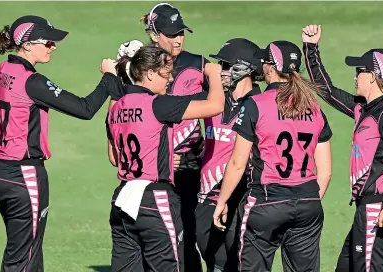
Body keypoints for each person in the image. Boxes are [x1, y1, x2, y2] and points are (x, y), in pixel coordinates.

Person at [0, 15, 116, 271]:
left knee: (23, 249)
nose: (53, 47)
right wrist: (109, 78)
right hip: (24, 175)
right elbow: (85, 108)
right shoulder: (31, 81)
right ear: (27, 44)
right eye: (47, 42)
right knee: (24, 255)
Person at [302, 24, 383, 272]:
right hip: (367, 208)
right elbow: (327, 91)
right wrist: (311, 49)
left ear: (372, 77)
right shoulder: (363, 109)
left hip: (379, 207)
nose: (355, 77)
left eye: (359, 71)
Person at [213, 40, 333, 272]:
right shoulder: (315, 107)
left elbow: (238, 164)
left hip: (266, 203)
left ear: (269, 68)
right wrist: (303, 198)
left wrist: (221, 201)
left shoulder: (255, 105)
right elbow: (325, 172)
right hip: (308, 204)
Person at [106, 45, 224, 272]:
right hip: (155, 199)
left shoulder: (116, 107)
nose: (169, 81)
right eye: (165, 74)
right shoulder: (158, 104)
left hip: (122, 199)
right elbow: (215, 106)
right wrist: (214, 74)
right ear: (149, 73)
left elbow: (114, 157)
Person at [195, 38, 262, 272]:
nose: (219, 71)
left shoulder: (260, 104)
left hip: (242, 195)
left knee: (235, 260)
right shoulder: (213, 99)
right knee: (209, 253)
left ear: (244, 69)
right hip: (206, 195)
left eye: (225, 65)